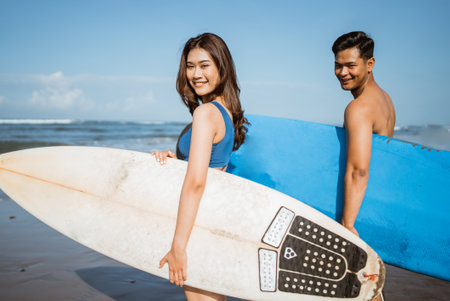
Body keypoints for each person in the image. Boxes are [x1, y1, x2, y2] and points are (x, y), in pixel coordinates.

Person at [152, 33, 248, 301]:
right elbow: (213, 169)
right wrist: (177, 164)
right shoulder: (224, 112)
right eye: (190, 66)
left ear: (221, 67)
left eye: (204, 65)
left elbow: (197, 183)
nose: (196, 74)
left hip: (199, 228)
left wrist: (178, 246)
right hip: (212, 223)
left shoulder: (205, 113)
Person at [333, 31, 395, 301]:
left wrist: (347, 225)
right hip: (377, 208)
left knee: (359, 290)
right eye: (338, 65)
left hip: (358, 216)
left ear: (369, 64)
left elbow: (358, 171)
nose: (342, 72)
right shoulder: (385, 100)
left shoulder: (359, 108)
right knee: (371, 290)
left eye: (350, 65)